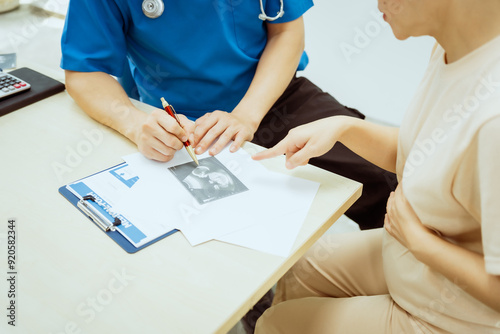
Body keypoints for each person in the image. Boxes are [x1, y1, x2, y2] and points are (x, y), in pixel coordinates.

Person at [251, 0, 500, 333]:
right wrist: (343, 127)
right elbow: (437, 151)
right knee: (303, 265)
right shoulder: (452, 48)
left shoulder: (493, 122)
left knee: (274, 324)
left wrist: (418, 241)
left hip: (453, 314)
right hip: (415, 261)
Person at [60, 0, 396, 231]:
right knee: (229, 235)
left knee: (384, 180)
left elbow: (286, 31)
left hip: (274, 93)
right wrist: (134, 124)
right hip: (184, 126)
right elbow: (83, 71)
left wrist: (247, 116)